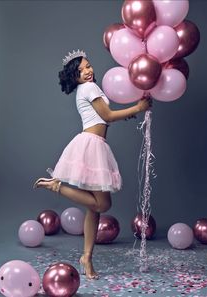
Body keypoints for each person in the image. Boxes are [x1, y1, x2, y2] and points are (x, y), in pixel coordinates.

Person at [34, 49, 152, 280]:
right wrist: (138, 108)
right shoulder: (90, 88)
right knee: (102, 205)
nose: (87, 72)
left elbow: (100, 118)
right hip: (92, 146)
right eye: (81, 71)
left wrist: (127, 114)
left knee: (94, 207)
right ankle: (56, 185)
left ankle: (86, 257)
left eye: (88, 66)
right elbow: (107, 116)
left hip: (92, 143)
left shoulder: (84, 90)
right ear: (74, 77)